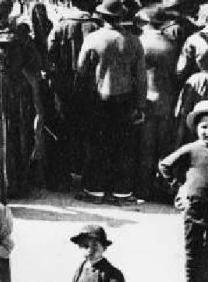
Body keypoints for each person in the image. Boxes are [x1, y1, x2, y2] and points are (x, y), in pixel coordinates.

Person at [75, 0, 146, 203]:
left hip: (98, 99)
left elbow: (82, 72)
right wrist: (139, 105)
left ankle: (94, 190)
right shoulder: (133, 41)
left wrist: (80, 100)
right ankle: (121, 192)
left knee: (97, 145)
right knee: (123, 147)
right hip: (125, 100)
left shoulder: (93, 39)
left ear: (102, 16)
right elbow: (140, 77)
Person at [159, 100, 208, 282]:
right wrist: (179, 190)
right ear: (196, 128)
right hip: (194, 211)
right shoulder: (191, 149)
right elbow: (165, 165)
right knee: (193, 257)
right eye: (204, 126)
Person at [0, 0, 45, 197]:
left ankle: (1, 181)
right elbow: (34, 67)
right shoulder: (22, 36)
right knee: (20, 135)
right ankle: (19, 182)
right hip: (20, 90)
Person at [46, 0, 100, 182]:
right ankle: (87, 175)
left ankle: (62, 175)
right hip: (89, 86)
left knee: (63, 130)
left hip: (64, 86)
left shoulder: (60, 26)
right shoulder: (96, 26)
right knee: (89, 131)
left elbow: (50, 54)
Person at [136, 6, 178, 202]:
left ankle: (143, 189)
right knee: (163, 147)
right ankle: (163, 189)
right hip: (167, 100)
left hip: (147, 100)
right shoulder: (172, 44)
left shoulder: (141, 43)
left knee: (145, 147)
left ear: (146, 22)